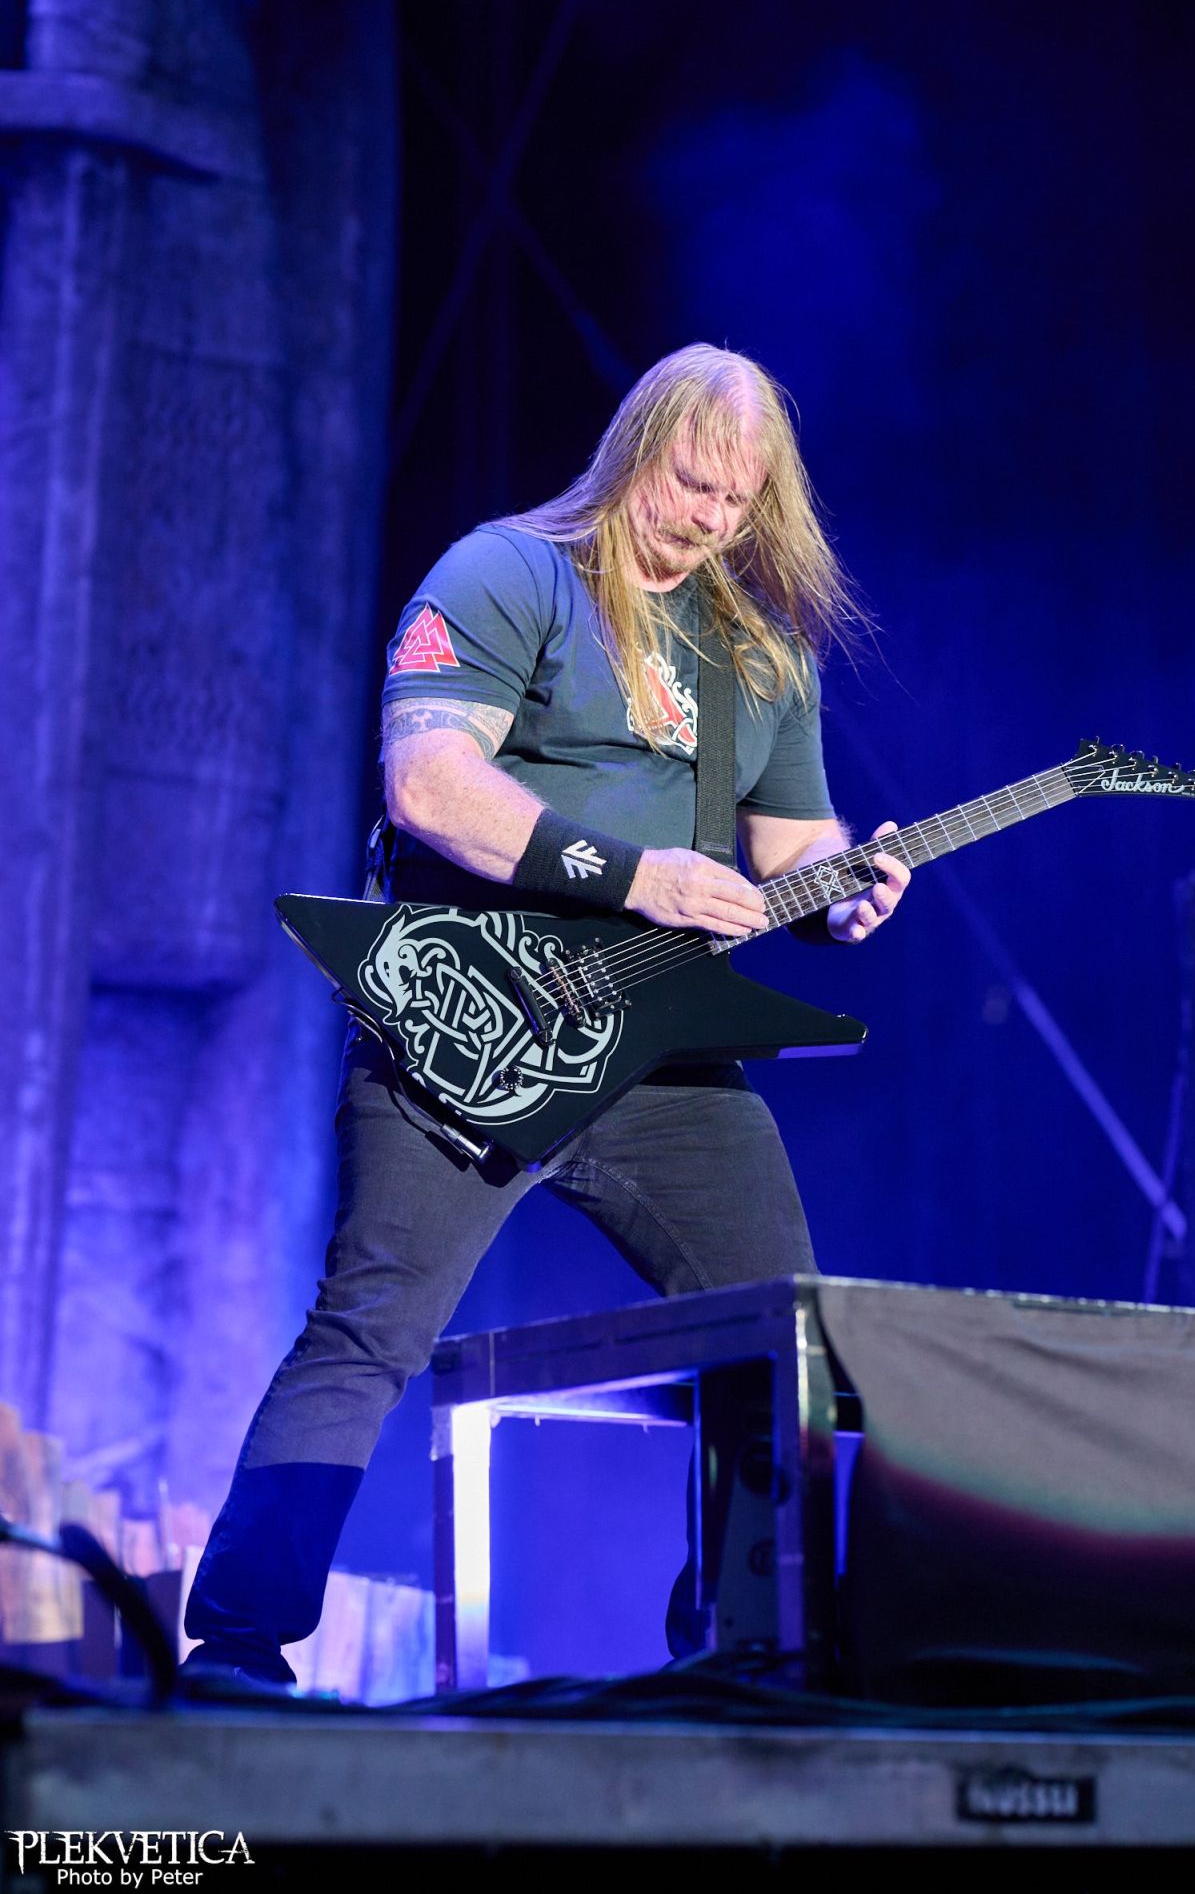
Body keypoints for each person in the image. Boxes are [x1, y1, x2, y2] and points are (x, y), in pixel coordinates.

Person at [182, 342, 910, 1688]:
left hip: (662, 1050)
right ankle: (236, 1646)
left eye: (736, 500)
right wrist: (636, 875)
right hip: (475, 1028)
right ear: (634, 453)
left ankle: (739, 1645)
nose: (707, 519)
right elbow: (428, 784)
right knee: (372, 1327)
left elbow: (788, 847)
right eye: (688, 483)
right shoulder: (505, 573)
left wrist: (846, 886)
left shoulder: (759, 655)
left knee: (780, 1337)